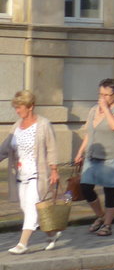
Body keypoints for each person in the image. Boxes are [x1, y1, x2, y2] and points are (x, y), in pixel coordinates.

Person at [0, 90, 61, 254]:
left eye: (20, 107)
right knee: (27, 207)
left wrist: (54, 170)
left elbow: (52, 148)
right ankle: (52, 233)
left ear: (30, 106)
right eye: (16, 107)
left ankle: (22, 243)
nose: (17, 111)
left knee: (32, 207)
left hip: (38, 174)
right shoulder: (16, 126)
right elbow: (5, 148)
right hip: (21, 175)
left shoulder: (43, 124)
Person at [73, 78, 114, 237]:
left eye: (107, 95)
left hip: (111, 156)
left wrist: (106, 109)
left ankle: (107, 225)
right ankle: (101, 216)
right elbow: (89, 133)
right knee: (86, 187)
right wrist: (80, 152)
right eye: (100, 94)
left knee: (109, 190)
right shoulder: (93, 110)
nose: (102, 98)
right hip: (92, 155)